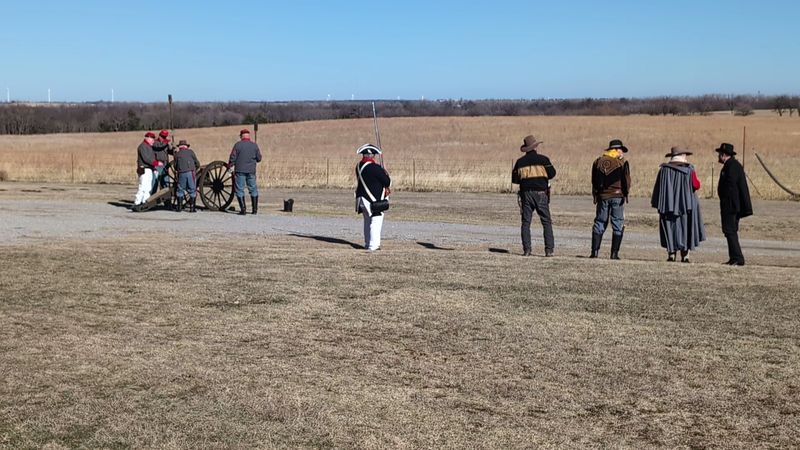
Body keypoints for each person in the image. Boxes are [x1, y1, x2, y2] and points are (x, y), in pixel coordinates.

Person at [651, 147, 706, 262]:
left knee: (671, 228)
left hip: (668, 205)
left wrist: (658, 203)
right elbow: (696, 185)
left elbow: (658, 188)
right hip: (686, 205)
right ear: (682, 156)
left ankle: (671, 254)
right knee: (686, 228)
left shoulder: (664, 170)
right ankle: (685, 255)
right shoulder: (690, 170)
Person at [512, 135, 556, 256]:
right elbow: (552, 174)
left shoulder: (519, 162)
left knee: (526, 223)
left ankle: (527, 250)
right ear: (535, 147)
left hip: (526, 194)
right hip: (541, 193)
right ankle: (549, 250)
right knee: (546, 222)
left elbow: (515, 179)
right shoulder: (544, 160)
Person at [590, 139, 631, 259]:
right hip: (617, 196)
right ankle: (614, 254)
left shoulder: (598, 161)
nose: (622, 152)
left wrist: (596, 195)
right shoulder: (621, 163)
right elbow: (626, 181)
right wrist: (626, 194)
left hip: (603, 196)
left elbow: (594, 180)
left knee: (600, 221)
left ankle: (595, 252)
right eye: (621, 150)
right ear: (617, 150)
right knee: (617, 223)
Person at [716, 142, 752, 266]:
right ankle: (733, 257)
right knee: (729, 231)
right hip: (731, 205)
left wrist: (726, 201)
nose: (718, 156)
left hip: (730, 206)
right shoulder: (732, 165)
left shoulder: (732, 166)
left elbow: (730, 187)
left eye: (720, 154)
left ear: (724, 154)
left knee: (730, 231)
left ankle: (738, 258)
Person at [355, 144, 391, 251]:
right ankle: (373, 245)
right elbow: (387, 182)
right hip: (373, 200)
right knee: (376, 222)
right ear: (372, 155)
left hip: (362, 199)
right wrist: (384, 171)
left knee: (367, 221)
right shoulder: (375, 168)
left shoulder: (359, 166)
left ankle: (367, 243)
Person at [228, 129, 262, 215]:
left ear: (241, 136)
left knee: (239, 189)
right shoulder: (254, 145)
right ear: (248, 136)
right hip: (251, 171)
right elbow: (259, 158)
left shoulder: (237, 145)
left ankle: (243, 210)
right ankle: (254, 210)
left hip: (240, 170)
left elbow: (233, 157)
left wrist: (230, 165)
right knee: (253, 189)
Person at [134, 132, 162, 207]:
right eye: (152, 139)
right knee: (142, 186)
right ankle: (137, 203)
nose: (153, 141)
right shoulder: (142, 146)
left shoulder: (149, 146)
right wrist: (156, 163)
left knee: (148, 187)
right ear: (148, 138)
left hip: (149, 169)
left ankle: (145, 202)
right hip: (144, 169)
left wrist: (154, 167)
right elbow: (146, 159)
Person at [173, 140, 200, 213]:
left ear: (180, 147)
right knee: (192, 189)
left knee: (180, 189)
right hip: (190, 172)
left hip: (181, 173)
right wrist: (196, 168)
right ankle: (192, 208)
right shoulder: (191, 152)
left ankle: (179, 207)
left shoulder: (177, 154)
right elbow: (196, 162)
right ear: (186, 146)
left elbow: (175, 167)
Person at [151, 129, 172, 195]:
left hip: (165, 164)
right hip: (157, 165)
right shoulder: (155, 142)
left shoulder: (165, 143)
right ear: (159, 136)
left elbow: (170, 151)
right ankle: (151, 199)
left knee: (166, 182)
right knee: (154, 183)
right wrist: (166, 143)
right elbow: (159, 147)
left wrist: (172, 148)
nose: (163, 138)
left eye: (165, 137)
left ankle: (167, 200)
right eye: (163, 136)